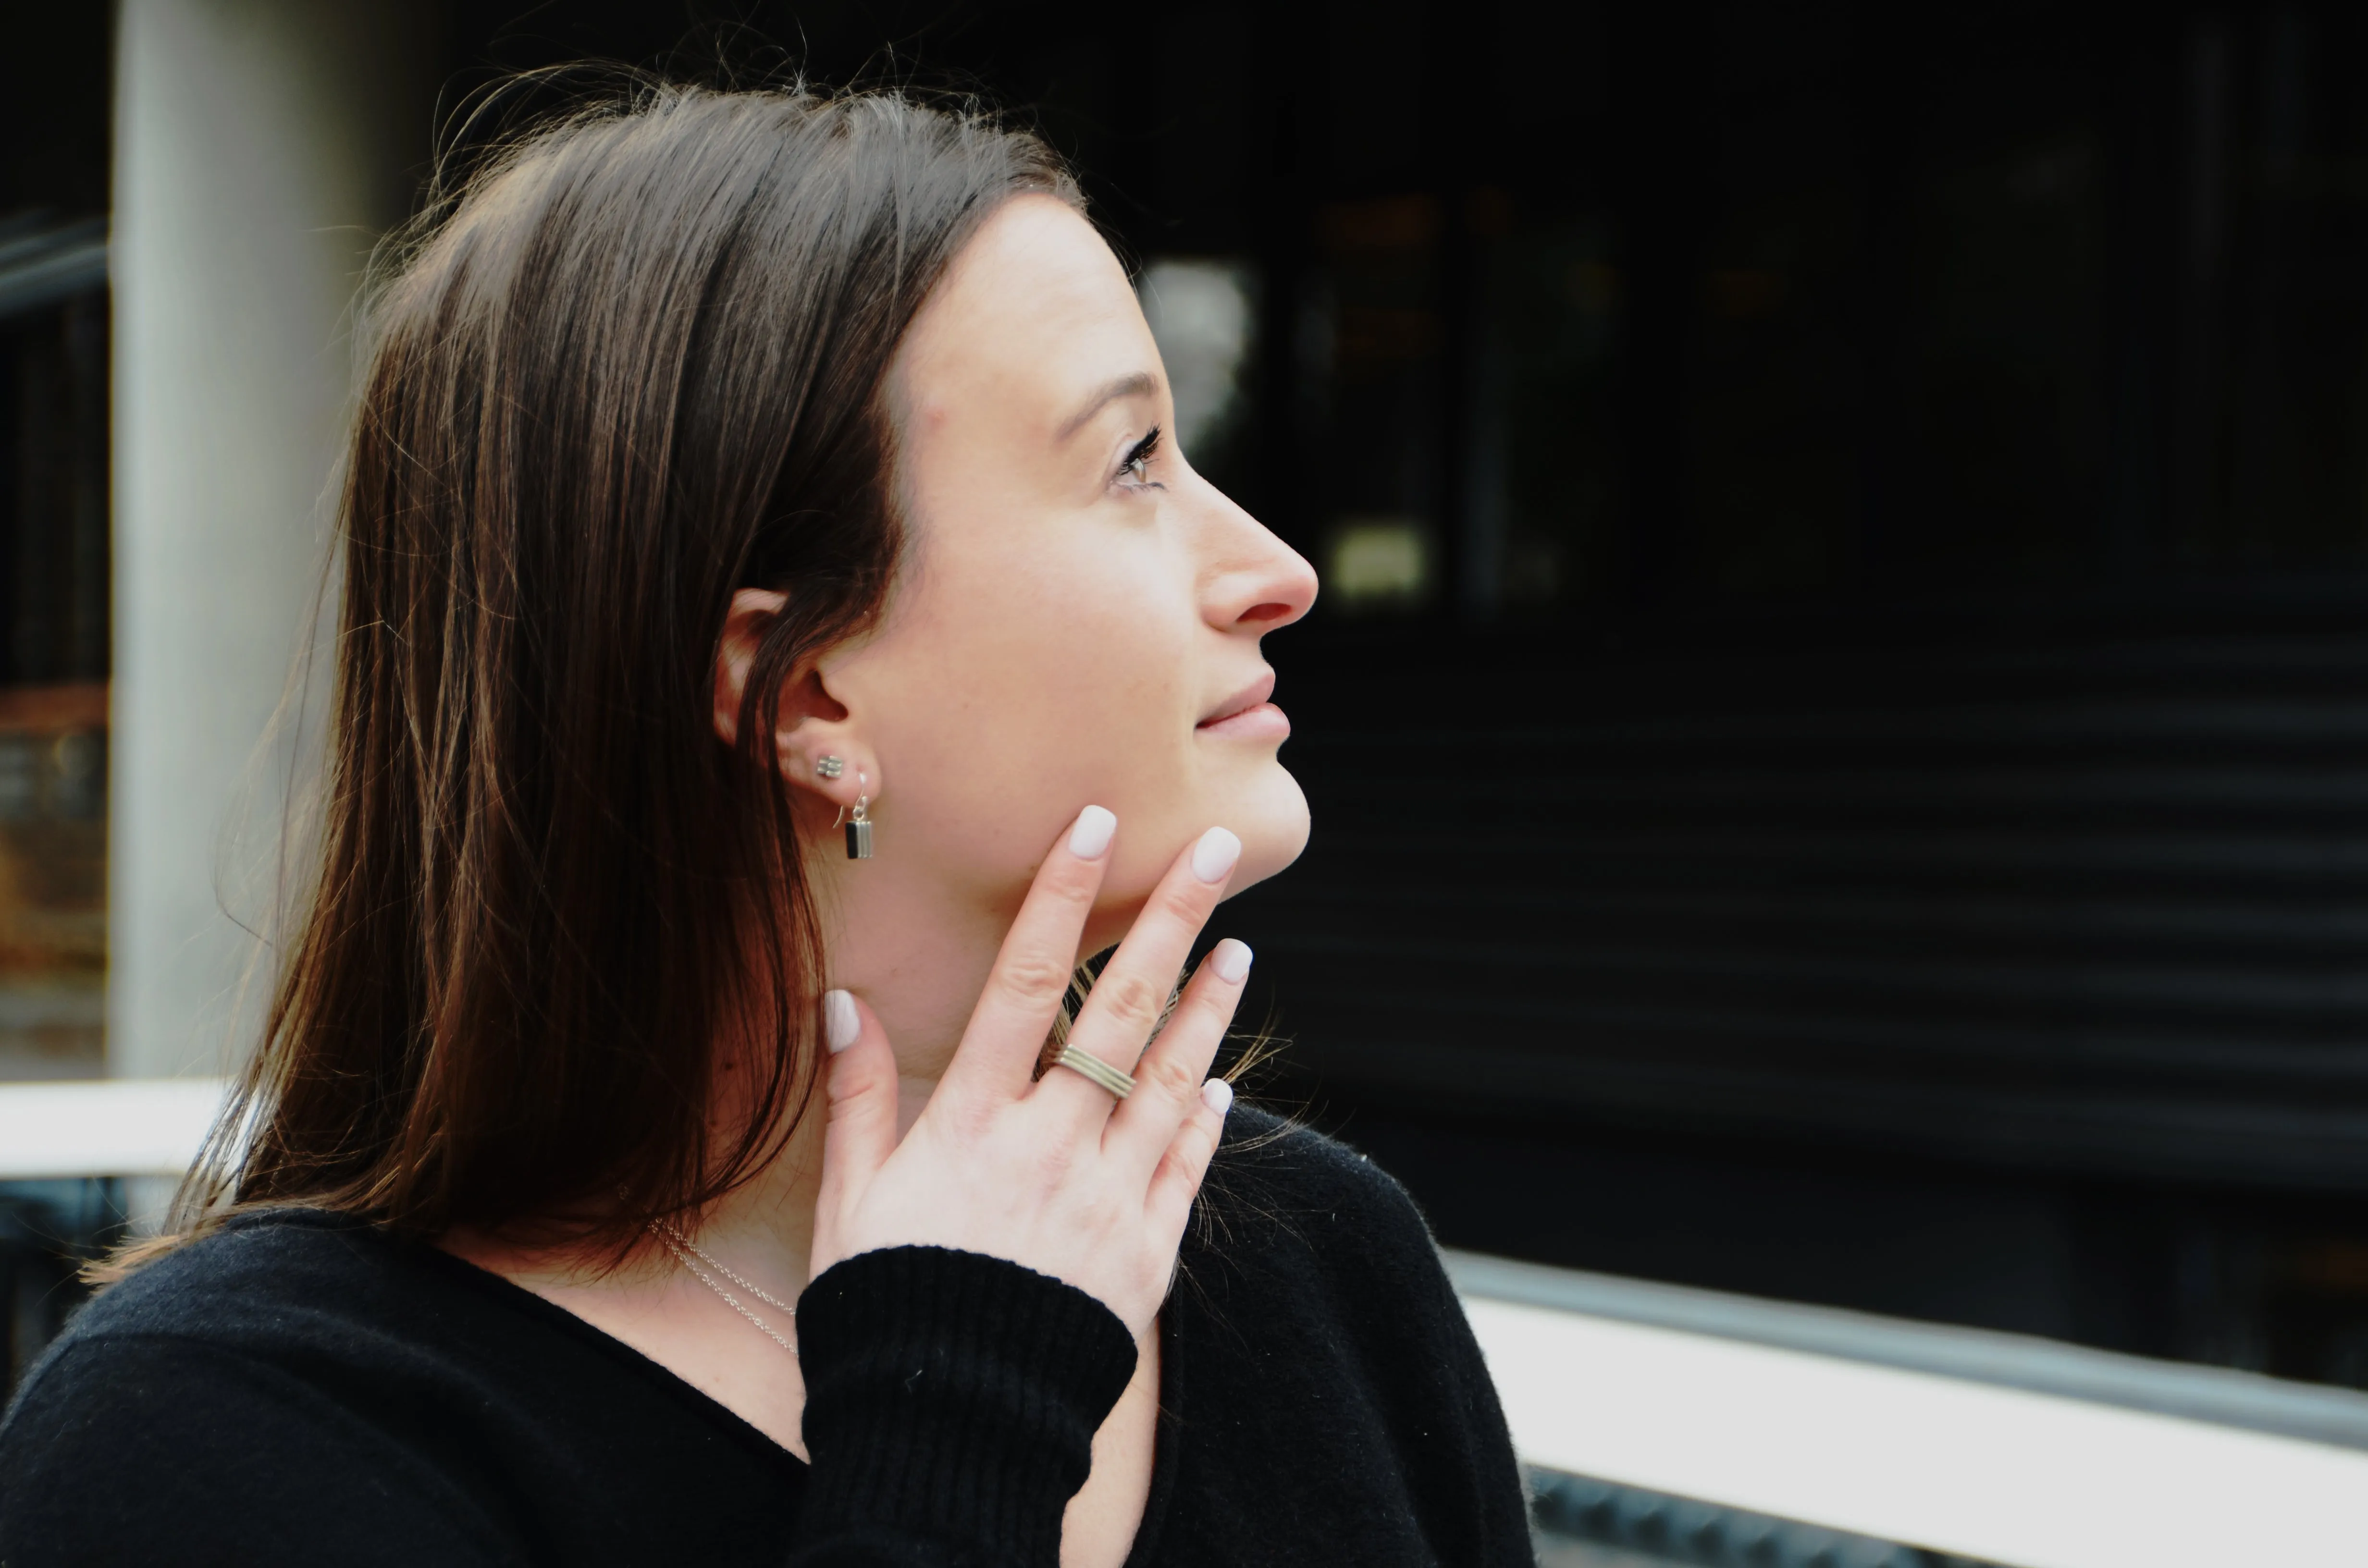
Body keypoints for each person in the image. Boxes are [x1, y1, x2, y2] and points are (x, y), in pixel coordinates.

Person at [0, 84, 1531, 1567]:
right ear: (799, 690)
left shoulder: (1317, 1263)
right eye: (1130, 462)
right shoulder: (230, 1439)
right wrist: (961, 1410)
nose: (1277, 569)